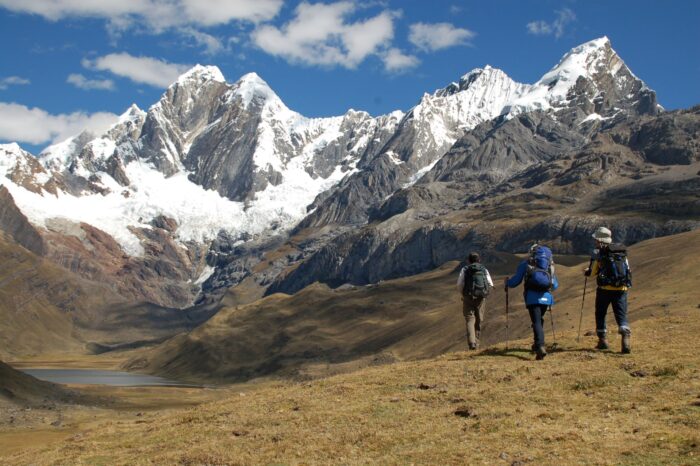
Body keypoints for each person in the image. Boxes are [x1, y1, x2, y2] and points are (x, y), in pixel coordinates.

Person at [504, 244, 559, 360]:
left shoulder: (526, 264)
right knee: (539, 320)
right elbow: (554, 285)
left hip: (532, 298)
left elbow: (516, 281)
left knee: (536, 321)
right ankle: (536, 344)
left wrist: (507, 282)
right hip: (546, 298)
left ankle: (540, 346)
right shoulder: (549, 266)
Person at [584, 227, 632, 353]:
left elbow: (592, 272)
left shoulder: (600, 253)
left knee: (600, 313)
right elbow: (627, 269)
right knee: (621, 314)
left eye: (596, 239)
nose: (595, 242)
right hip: (621, 288)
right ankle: (625, 335)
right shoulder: (621, 252)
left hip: (604, 289)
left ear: (600, 240)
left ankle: (602, 341)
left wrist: (587, 272)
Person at [457, 252, 494, 350]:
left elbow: (460, 284)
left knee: (469, 319)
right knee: (479, 319)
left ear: (468, 260)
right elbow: (490, 284)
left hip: (468, 297)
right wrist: (484, 293)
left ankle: (471, 343)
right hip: (481, 297)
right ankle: (477, 343)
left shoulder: (465, 269)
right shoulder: (484, 269)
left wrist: (463, 295)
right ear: (479, 260)